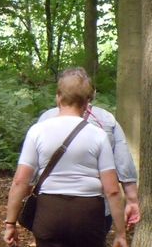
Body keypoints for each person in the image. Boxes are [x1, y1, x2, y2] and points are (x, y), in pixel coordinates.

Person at [4, 68, 128, 247]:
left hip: (49, 212)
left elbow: (20, 181)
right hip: (89, 213)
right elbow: (113, 190)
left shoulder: (38, 131)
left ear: (58, 98)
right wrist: (120, 234)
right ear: (88, 102)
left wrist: (10, 224)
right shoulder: (98, 135)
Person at [38, 68, 140, 232]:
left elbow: (30, 171)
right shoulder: (105, 120)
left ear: (59, 94)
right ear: (90, 94)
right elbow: (123, 164)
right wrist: (132, 200)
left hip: (50, 206)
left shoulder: (45, 119)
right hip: (96, 207)